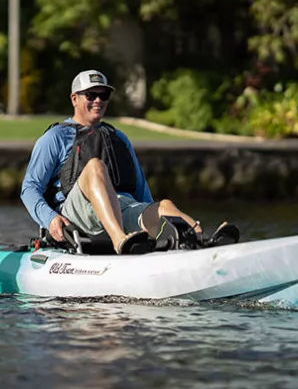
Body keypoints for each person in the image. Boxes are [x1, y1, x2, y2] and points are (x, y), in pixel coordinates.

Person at [21, 69, 206, 255]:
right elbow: (30, 187)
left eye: (104, 95)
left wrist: (151, 224)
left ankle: (201, 242)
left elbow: (141, 191)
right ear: (74, 99)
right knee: (95, 167)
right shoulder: (55, 137)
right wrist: (51, 219)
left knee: (164, 206)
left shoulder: (119, 138)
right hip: (78, 214)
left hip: (123, 206)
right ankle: (120, 241)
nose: (98, 101)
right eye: (91, 95)